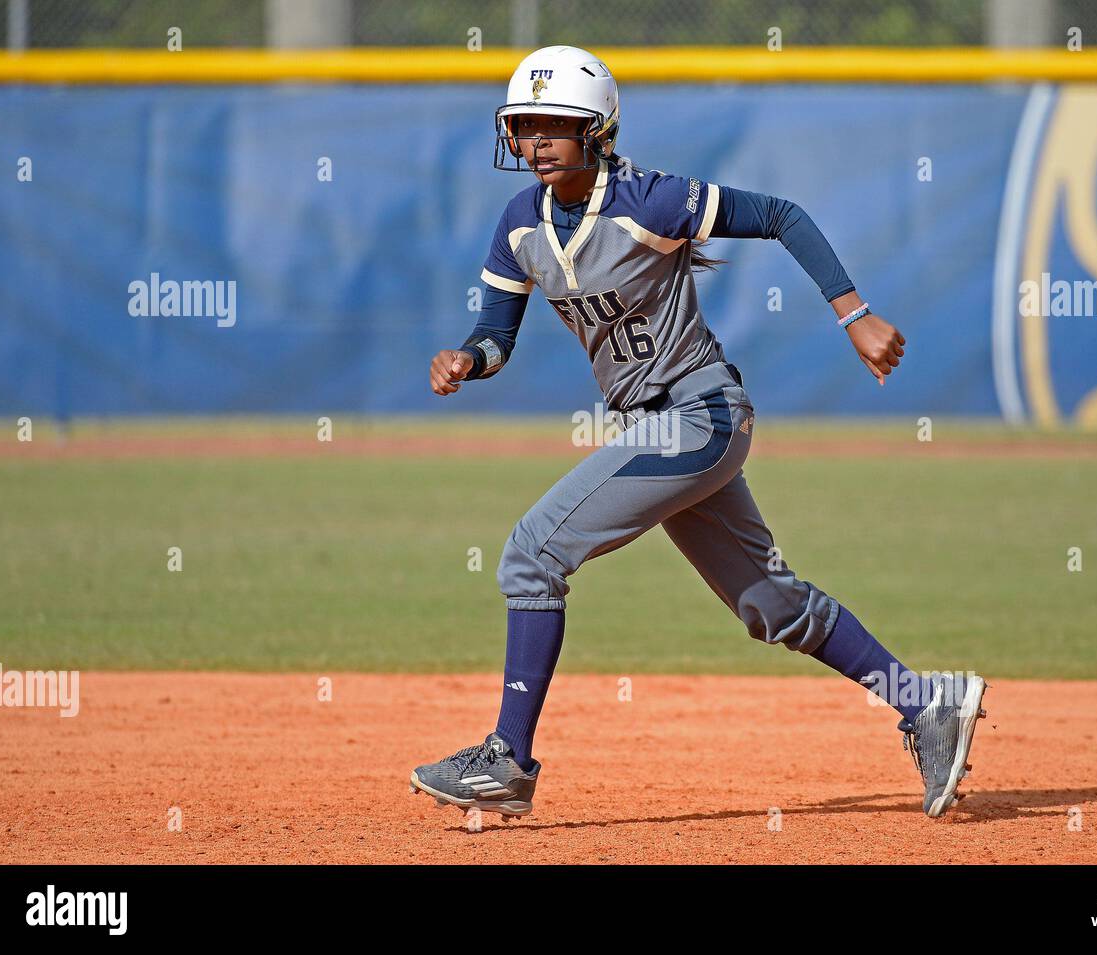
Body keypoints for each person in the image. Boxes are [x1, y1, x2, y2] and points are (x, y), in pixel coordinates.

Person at [412, 45, 986, 821]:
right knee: (773, 606)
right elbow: (495, 335)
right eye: (524, 125)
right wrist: (466, 359)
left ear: (598, 130)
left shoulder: (651, 200)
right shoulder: (520, 225)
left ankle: (508, 760)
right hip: (664, 429)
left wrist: (854, 314)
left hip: (699, 416)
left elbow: (782, 215)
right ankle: (926, 703)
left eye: (556, 125)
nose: (536, 140)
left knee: (532, 552)